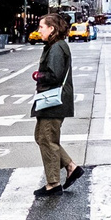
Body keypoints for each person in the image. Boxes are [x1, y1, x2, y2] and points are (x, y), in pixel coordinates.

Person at [30, 10, 82, 195]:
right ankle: (70, 166)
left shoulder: (57, 48)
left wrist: (39, 75)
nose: (39, 30)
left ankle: (53, 183)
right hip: (52, 100)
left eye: (42, 27)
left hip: (54, 101)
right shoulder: (55, 46)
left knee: (48, 140)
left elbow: (54, 75)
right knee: (41, 137)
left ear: (52, 29)